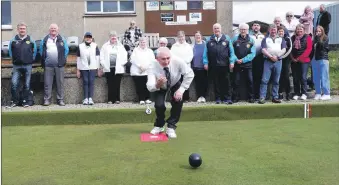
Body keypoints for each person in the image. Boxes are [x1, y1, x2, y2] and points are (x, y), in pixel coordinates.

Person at [147, 47, 194, 138]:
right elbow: (150, 86)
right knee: (159, 105)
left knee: (178, 101)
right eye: (163, 59)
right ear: (157, 59)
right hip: (160, 86)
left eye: (168, 58)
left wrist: (181, 90)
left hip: (175, 82)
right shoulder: (152, 66)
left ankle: (171, 126)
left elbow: (189, 74)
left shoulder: (178, 61)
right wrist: (157, 85)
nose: (166, 61)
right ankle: (159, 125)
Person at [7, 22, 37, 108]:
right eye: (21, 29)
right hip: (16, 66)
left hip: (28, 66)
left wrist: (31, 60)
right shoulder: (13, 40)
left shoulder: (30, 40)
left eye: (23, 29)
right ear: (18, 30)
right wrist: (15, 60)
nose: (22, 30)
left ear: (26, 29)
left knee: (27, 84)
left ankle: (25, 102)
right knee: (14, 83)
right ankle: (14, 101)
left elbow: (34, 51)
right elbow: (10, 52)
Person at [206, 23, 237, 104]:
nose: (216, 30)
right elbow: (205, 53)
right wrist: (205, 63)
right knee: (216, 83)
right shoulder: (209, 39)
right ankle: (218, 99)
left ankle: (228, 98)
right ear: (213, 30)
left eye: (218, 28)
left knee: (226, 82)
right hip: (214, 65)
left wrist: (232, 61)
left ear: (221, 29)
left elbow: (232, 52)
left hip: (225, 65)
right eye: (215, 28)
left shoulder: (226, 38)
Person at [40, 23, 69, 106]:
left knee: (60, 83)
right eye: (52, 28)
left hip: (59, 65)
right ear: (49, 30)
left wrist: (62, 59)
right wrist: (45, 60)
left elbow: (66, 50)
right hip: (48, 65)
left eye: (55, 28)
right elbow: (42, 50)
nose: (53, 30)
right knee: (47, 83)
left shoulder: (62, 39)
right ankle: (47, 100)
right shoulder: (45, 39)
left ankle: (60, 100)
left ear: (57, 30)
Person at [259, 24, 287, 104]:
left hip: (278, 61)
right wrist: (271, 56)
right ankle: (262, 97)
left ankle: (275, 97)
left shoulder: (281, 39)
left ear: (277, 30)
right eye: (272, 29)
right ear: (269, 30)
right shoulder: (265, 39)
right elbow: (263, 50)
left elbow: (284, 49)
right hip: (268, 61)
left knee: (276, 81)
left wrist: (277, 56)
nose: (273, 31)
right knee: (264, 80)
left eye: (274, 29)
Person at [99, 31, 128, 104]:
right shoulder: (105, 46)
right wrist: (103, 65)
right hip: (108, 68)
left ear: (116, 37)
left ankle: (117, 99)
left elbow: (125, 56)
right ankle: (110, 99)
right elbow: (101, 56)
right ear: (109, 37)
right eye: (112, 36)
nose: (113, 37)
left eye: (114, 36)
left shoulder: (120, 46)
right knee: (110, 84)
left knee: (117, 84)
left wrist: (121, 64)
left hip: (118, 68)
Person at [231, 23, 256, 103]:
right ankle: (235, 97)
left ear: (247, 30)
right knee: (236, 81)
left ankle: (251, 97)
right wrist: (236, 59)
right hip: (237, 64)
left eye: (244, 29)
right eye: (241, 29)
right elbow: (231, 51)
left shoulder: (251, 40)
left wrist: (243, 60)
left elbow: (253, 53)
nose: (243, 31)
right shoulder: (234, 39)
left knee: (250, 81)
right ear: (239, 30)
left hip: (247, 65)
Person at [76, 32, 100, 105]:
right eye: (87, 37)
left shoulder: (95, 46)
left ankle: (90, 98)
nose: (88, 38)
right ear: (84, 38)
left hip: (93, 67)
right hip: (83, 67)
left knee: (91, 82)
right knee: (85, 81)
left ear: (92, 38)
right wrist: (78, 70)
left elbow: (97, 58)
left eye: (89, 37)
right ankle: (85, 98)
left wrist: (98, 69)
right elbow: (78, 59)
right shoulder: (80, 46)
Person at [290, 24, 312, 100]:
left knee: (303, 77)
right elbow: (290, 48)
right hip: (294, 61)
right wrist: (292, 58)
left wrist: (299, 58)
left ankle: (304, 93)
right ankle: (296, 93)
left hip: (304, 61)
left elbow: (309, 49)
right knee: (295, 78)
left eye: (301, 29)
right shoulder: (292, 38)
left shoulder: (308, 37)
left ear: (304, 30)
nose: (299, 31)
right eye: (298, 29)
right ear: (296, 30)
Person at [130, 37, 155, 105]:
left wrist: (145, 67)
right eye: (141, 42)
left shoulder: (150, 51)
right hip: (137, 71)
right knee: (139, 85)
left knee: (147, 85)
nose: (142, 43)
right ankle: (141, 99)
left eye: (144, 42)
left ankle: (147, 98)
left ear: (146, 43)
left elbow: (152, 61)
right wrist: (140, 66)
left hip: (147, 71)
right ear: (139, 43)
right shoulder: (135, 50)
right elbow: (132, 59)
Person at [170, 31, 193, 102]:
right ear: (177, 37)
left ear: (184, 37)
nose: (181, 38)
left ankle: (186, 98)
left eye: (182, 36)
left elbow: (190, 56)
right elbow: (172, 56)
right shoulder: (174, 46)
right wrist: (178, 63)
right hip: (176, 68)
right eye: (179, 37)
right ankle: (176, 98)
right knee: (176, 83)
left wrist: (183, 63)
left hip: (186, 67)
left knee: (185, 82)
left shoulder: (188, 46)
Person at [311, 26, 331, 100]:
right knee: (316, 78)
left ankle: (326, 93)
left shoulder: (325, 38)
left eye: (319, 31)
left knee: (324, 77)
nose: (317, 33)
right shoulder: (314, 39)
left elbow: (322, 46)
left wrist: (317, 38)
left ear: (322, 31)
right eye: (316, 31)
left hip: (323, 59)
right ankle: (318, 93)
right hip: (314, 59)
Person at [249, 21, 265, 101]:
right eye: (254, 25)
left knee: (259, 77)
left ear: (260, 27)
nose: (256, 27)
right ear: (252, 27)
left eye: (257, 25)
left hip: (260, 58)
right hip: (251, 58)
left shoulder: (263, 36)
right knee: (251, 78)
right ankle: (252, 96)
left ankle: (258, 95)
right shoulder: (249, 36)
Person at [192, 31, 208, 103]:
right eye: (196, 36)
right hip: (196, 67)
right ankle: (199, 96)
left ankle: (203, 96)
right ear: (194, 37)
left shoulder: (205, 44)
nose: (198, 37)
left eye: (199, 35)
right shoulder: (192, 46)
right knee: (197, 83)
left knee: (204, 82)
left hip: (204, 67)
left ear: (201, 36)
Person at [278, 26, 293, 101]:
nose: (281, 32)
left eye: (282, 31)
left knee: (286, 77)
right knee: (279, 77)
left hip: (286, 60)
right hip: (277, 60)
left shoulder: (287, 39)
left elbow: (290, 49)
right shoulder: (276, 39)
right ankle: (280, 93)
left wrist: (283, 56)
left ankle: (288, 93)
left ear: (284, 32)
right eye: (279, 31)